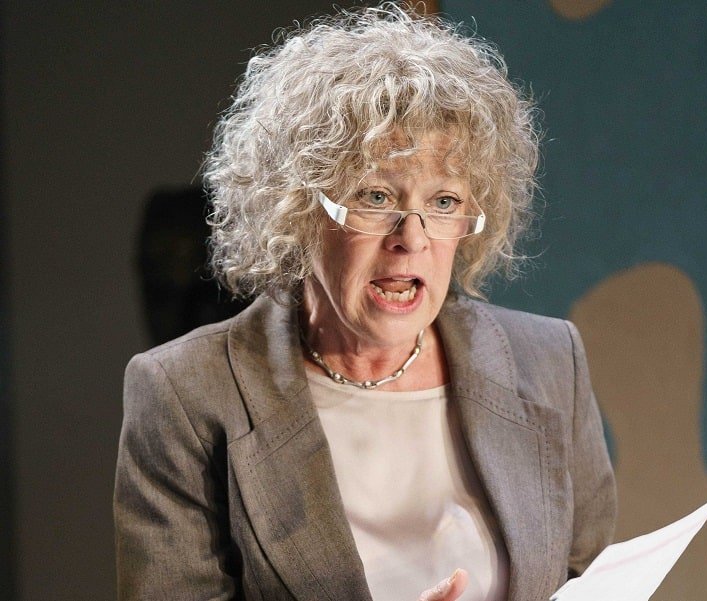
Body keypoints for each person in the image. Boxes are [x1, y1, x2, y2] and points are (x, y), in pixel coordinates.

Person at [113, 4, 616, 600]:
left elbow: (591, 579)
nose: (412, 238)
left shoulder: (550, 361)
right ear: (298, 209)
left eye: (445, 202)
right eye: (375, 196)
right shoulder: (186, 393)